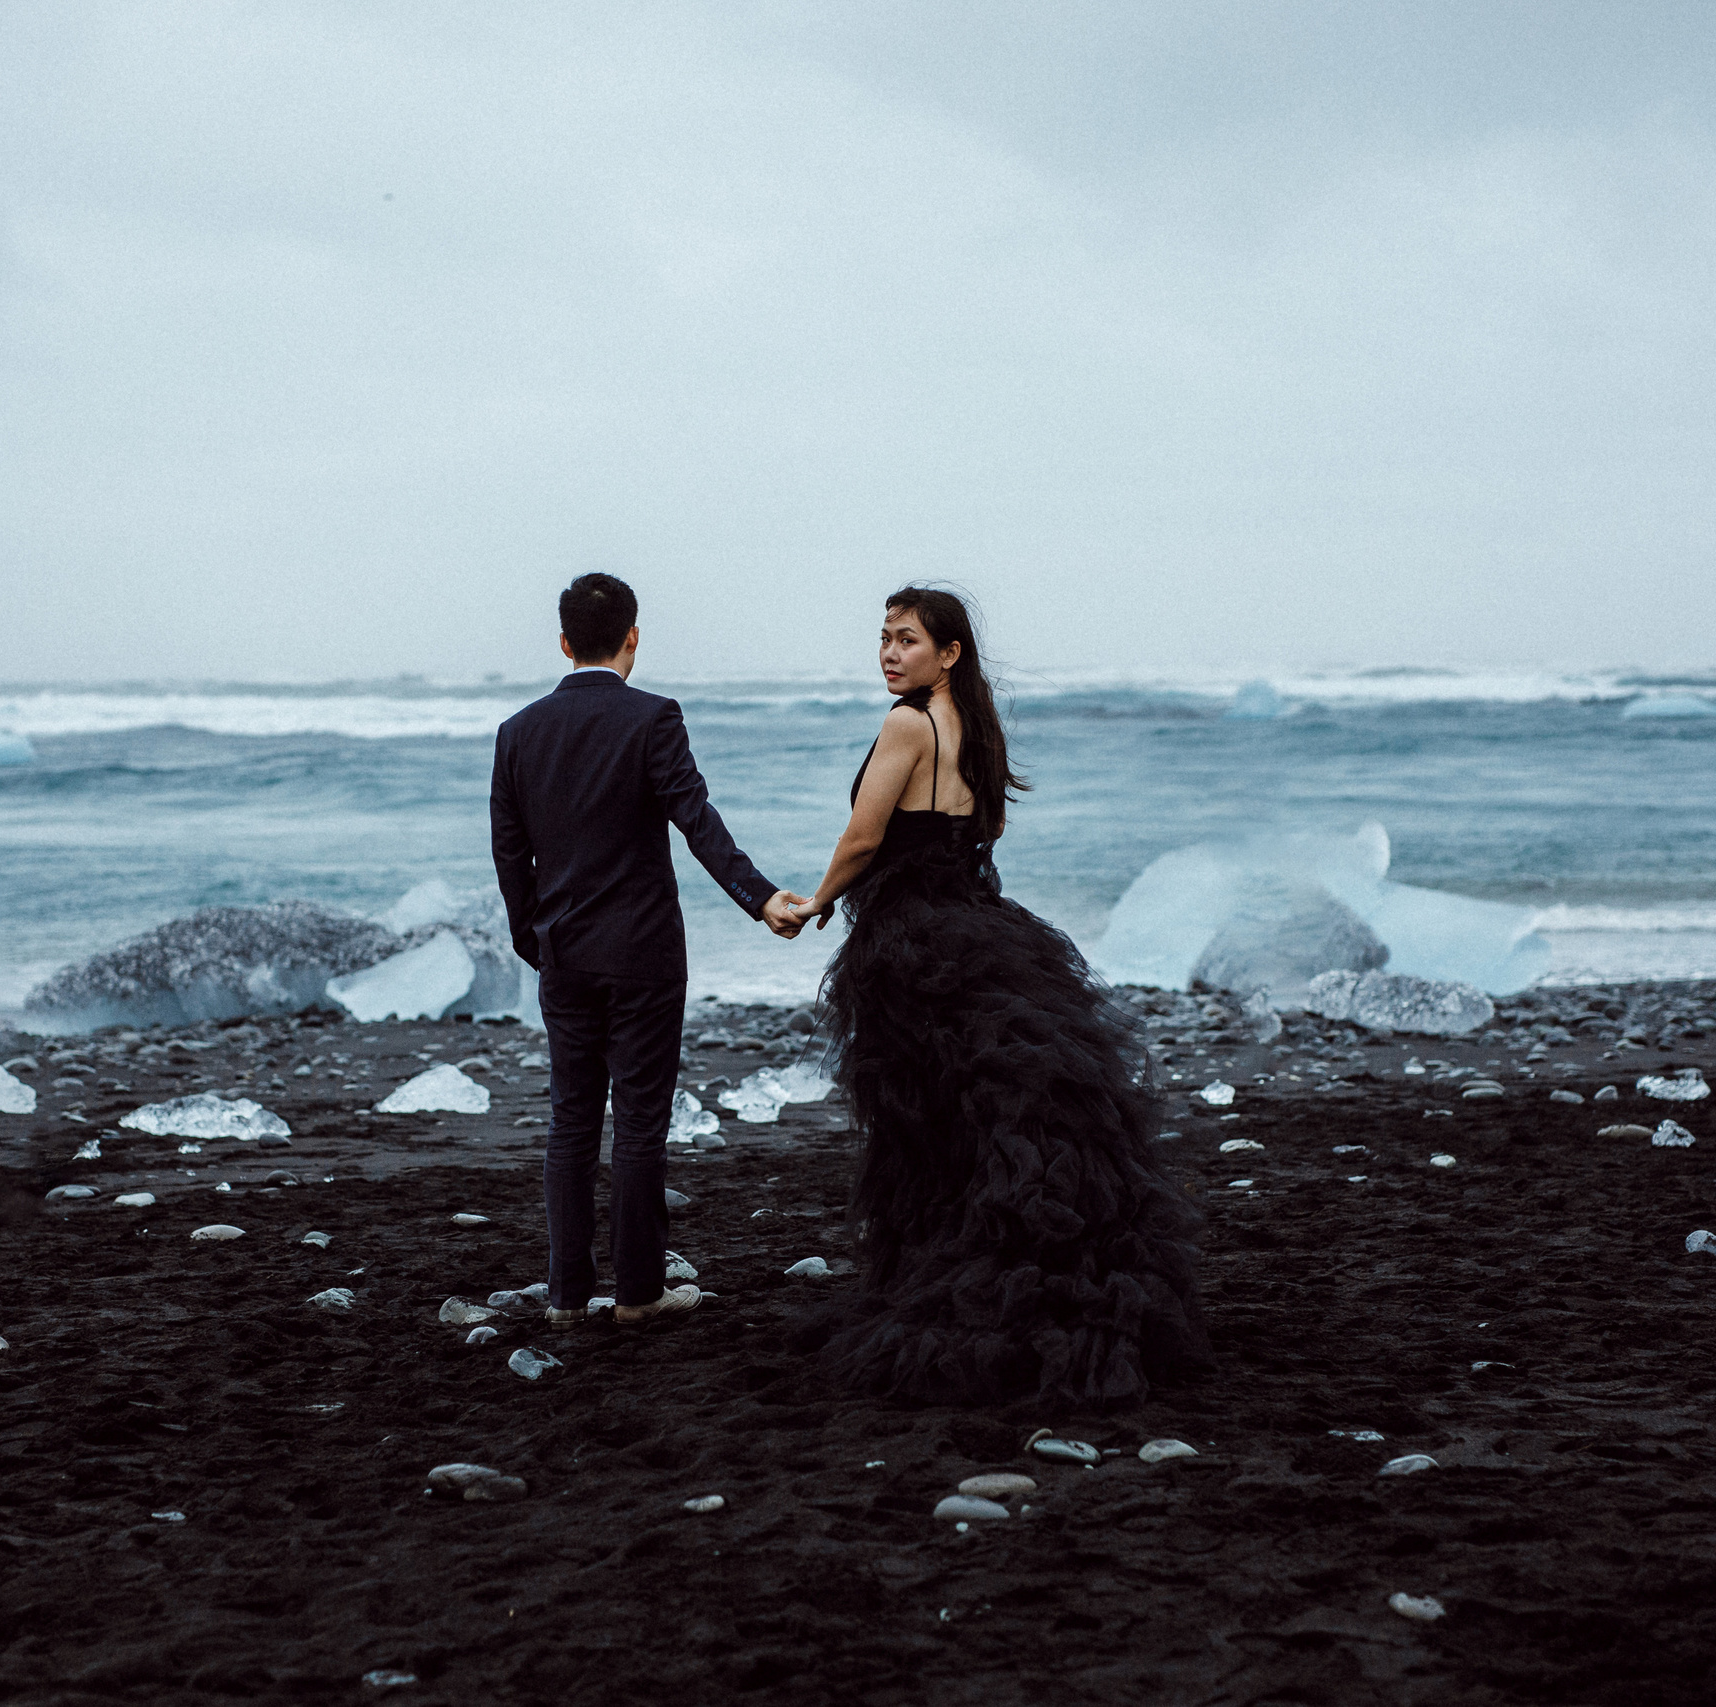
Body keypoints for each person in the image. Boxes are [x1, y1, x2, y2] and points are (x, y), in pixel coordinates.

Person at [781, 586, 1211, 1409]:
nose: (889, 652)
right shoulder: (974, 727)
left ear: (949, 654)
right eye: (883, 638)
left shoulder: (909, 723)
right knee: (972, 1116)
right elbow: (985, 834)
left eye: (907, 640)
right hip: (978, 922)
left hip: (911, 940)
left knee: (923, 1121)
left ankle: (936, 1273)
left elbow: (866, 835)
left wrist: (820, 898)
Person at [491, 573, 807, 1328]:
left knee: (571, 1120)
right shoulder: (653, 717)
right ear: (633, 637)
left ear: (564, 643)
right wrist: (761, 898)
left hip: (564, 954)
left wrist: (533, 939)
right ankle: (637, 1293)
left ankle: (567, 1296)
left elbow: (511, 853)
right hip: (643, 955)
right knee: (638, 1122)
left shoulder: (519, 731)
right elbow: (696, 820)